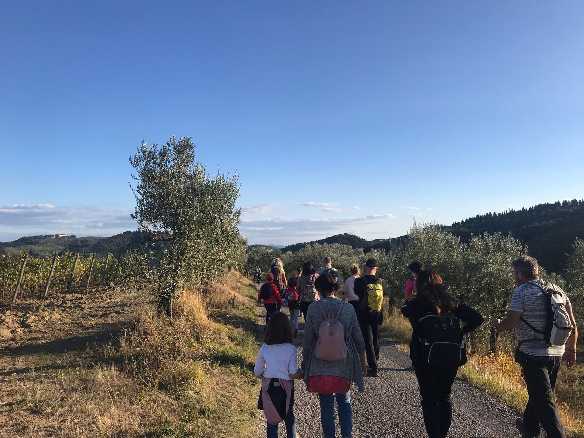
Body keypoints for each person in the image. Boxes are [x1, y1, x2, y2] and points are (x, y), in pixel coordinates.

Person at [495, 256, 578, 438]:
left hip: (533, 354)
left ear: (519, 273)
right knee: (540, 394)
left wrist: (498, 325)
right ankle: (529, 428)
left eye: (513, 273)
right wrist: (571, 350)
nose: (513, 276)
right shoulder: (557, 290)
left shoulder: (521, 292)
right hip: (557, 352)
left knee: (545, 402)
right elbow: (573, 325)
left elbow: (512, 322)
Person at [402, 270, 484, 438]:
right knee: (445, 397)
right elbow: (477, 318)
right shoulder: (451, 302)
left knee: (429, 399)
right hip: (450, 356)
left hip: (424, 357)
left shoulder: (417, 303)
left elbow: (407, 312)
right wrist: (460, 332)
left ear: (420, 284)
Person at [302, 270, 367, 438]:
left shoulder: (313, 308)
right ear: (335, 288)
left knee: (326, 406)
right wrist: (363, 361)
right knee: (345, 403)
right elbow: (358, 338)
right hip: (343, 365)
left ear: (319, 289)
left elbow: (308, 341)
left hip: (320, 365)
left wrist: (304, 364)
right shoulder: (347, 308)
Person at [254, 312, 300, 438]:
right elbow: (292, 372)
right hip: (286, 386)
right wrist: (301, 373)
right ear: (287, 329)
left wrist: (266, 373)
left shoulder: (264, 348)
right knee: (289, 416)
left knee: (271, 419)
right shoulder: (291, 348)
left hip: (269, 386)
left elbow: (257, 371)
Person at [354, 258, 384, 377]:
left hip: (364, 313)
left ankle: (373, 367)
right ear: (375, 269)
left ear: (366, 267)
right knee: (376, 337)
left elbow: (357, 294)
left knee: (368, 340)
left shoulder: (359, 281)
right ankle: (375, 358)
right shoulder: (380, 281)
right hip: (377, 312)